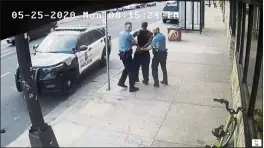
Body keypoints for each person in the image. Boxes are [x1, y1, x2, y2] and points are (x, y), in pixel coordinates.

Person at [117, 22, 139, 92]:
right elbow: (135, 42)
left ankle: (121, 82)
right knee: (131, 70)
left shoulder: (121, 33)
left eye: (130, 27)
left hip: (122, 54)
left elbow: (127, 42)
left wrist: (133, 37)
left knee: (127, 68)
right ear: (125, 27)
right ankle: (132, 87)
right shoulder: (128, 35)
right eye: (128, 27)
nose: (130, 28)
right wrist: (135, 36)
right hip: (127, 55)